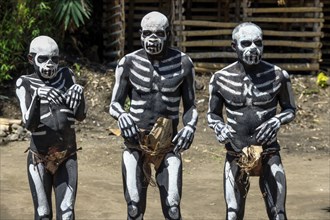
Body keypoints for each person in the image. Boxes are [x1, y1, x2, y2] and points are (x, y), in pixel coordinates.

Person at [109, 11, 198, 220]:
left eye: (158, 34)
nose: (152, 39)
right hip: (135, 144)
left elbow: (191, 106)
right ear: (140, 35)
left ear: (168, 34)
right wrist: (122, 115)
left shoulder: (183, 63)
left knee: (173, 208)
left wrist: (190, 128)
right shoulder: (128, 63)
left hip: (168, 145)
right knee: (133, 207)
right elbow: (114, 104)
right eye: (147, 34)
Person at [207, 22, 296, 220]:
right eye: (246, 43)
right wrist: (219, 126)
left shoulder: (279, 76)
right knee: (233, 214)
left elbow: (290, 109)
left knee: (278, 214)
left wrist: (277, 120)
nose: (253, 49)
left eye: (258, 43)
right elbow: (212, 114)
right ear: (234, 46)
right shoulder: (220, 79)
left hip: (269, 152)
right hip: (235, 152)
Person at [16, 35, 87, 219]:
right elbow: (29, 124)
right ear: (31, 59)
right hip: (38, 158)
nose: (49, 65)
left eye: (54, 59)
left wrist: (80, 93)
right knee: (43, 213)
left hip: (67, 156)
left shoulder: (66, 76)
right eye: (43, 59)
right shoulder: (25, 83)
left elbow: (80, 116)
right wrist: (39, 96)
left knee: (67, 214)